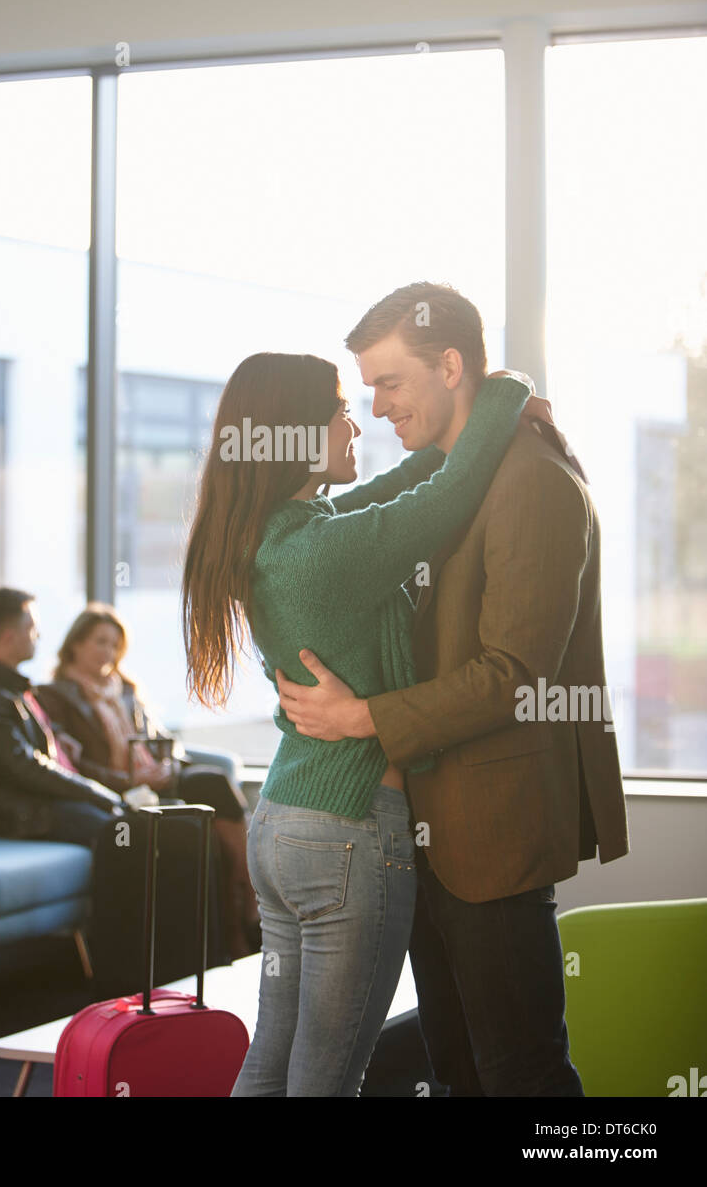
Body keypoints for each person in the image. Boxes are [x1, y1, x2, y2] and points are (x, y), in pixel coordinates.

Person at [275, 282, 630, 1098]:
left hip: (492, 834)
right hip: (429, 828)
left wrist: (363, 716)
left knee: (523, 1074)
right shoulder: (451, 478)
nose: (376, 407)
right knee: (459, 1069)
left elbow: (514, 672)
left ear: (450, 364)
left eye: (390, 383)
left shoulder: (531, 480)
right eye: (366, 389)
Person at [182, 347, 542, 1096]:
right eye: (342, 409)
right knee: (326, 1078)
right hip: (347, 832)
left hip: (284, 827)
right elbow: (449, 496)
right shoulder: (325, 552)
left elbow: (399, 490)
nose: (360, 422)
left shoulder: (283, 536)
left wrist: (449, 437)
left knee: (273, 1060)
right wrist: (505, 389)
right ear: (297, 434)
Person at [0, 587, 228, 996]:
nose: (38, 636)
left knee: (181, 826)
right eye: (32, 627)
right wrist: (99, 792)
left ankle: (187, 963)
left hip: (51, 803)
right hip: (24, 814)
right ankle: (122, 976)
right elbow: (25, 768)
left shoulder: (10, 689)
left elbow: (46, 758)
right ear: (9, 634)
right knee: (128, 833)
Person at [35, 604, 259, 960]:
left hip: (153, 780)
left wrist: (168, 766)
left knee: (213, 783)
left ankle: (248, 897)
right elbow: (73, 765)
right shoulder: (53, 696)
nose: (108, 652)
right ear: (75, 644)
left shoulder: (125, 690)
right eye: (100, 642)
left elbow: (162, 740)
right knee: (200, 820)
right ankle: (235, 928)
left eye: (114, 645)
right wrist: (129, 778)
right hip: (116, 787)